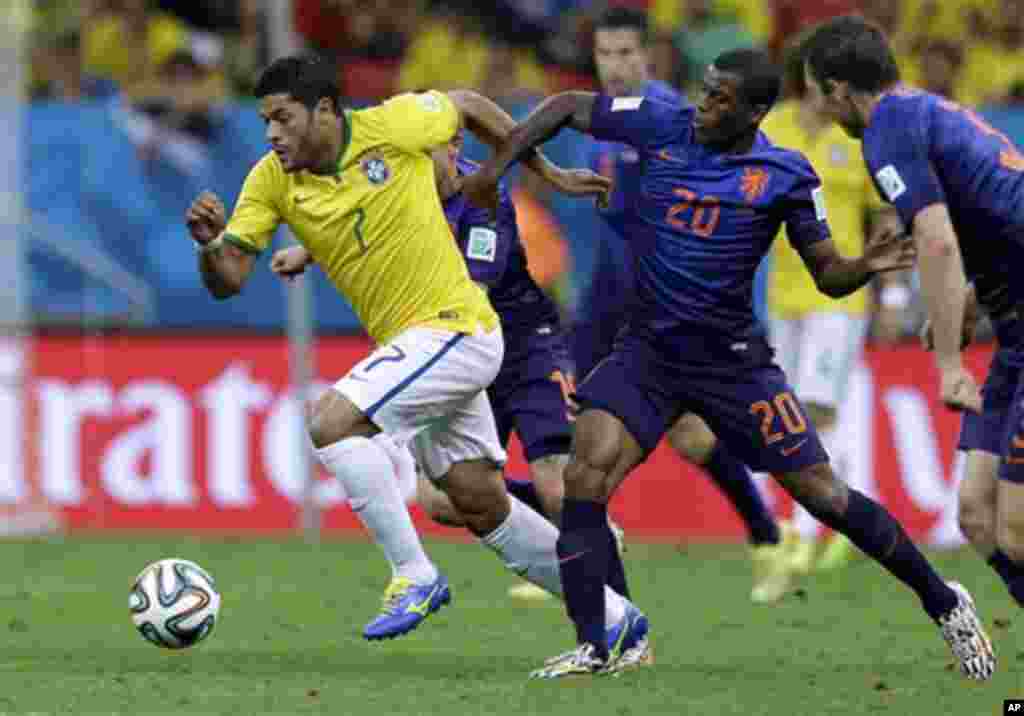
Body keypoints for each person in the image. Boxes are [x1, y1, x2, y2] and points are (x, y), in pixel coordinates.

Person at [463, 47, 995, 682]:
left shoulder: (785, 173)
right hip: (648, 354)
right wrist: (512, 162)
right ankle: (607, 638)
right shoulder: (660, 122)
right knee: (584, 477)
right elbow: (565, 107)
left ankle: (946, 604)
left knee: (822, 495)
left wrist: (865, 265)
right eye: (706, 89)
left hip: (734, 365)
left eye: (720, 98)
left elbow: (826, 273)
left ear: (755, 111)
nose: (704, 105)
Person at [184, 55, 649, 659]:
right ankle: (614, 620)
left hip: (458, 327)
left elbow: (471, 104)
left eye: (282, 118)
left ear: (325, 110)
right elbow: (229, 278)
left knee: (330, 421)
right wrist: (210, 246)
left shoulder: (395, 124)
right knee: (479, 504)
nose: (272, 133)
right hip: (417, 346)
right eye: (265, 121)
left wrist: (549, 172)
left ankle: (414, 574)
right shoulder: (270, 180)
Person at [271, 130, 607, 603]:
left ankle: (604, 595)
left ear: (453, 149)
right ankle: (570, 528)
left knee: (555, 480)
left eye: (425, 151)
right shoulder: (401, 190)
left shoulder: (484, 199)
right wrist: (308, 251)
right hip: (456, 348)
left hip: (518, 344)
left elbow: (471, 294)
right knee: (440, 501)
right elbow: (358, 224)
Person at [802, 14, 1024, 636]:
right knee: (978, 516)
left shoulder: (887, 133)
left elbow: (938, 241)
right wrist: (971, 301)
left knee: (1015, 526)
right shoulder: (918, 111)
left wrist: (951, 361)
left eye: (820, 92)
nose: (820, 105)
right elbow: (993, 212)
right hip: (1011, 323)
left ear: (841, 89)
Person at [576, 6, 795, 603]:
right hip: (606, 296)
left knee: (692, 437)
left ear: (650, 56)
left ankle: (766, 536)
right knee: (581, 434)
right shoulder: (608, 122)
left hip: (663, 308)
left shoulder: (676, 119)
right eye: (605, 54)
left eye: (626, 53)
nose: (615, 66)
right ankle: (579, 554)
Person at [761, 37, 907, 574]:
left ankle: (803, 531)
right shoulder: (772, 128)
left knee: (814, 408)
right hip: (783, 292)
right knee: (801, 408)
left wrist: (892, 292)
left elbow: (886, 215)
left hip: (841, 296)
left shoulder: (856, 135)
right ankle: (856, 503)